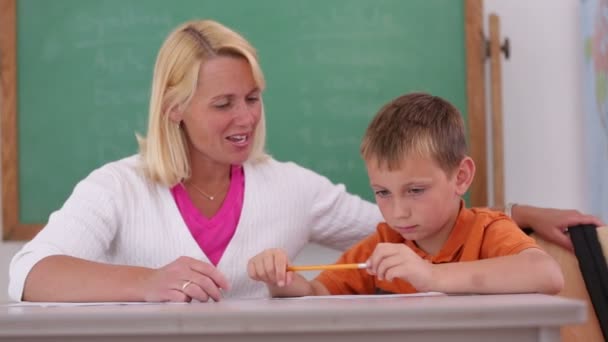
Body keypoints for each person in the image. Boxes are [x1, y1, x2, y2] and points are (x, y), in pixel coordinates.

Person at [8, 19, 600, 303]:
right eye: (223, 104)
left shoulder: (290, 188)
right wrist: (148, 282)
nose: (246, 118)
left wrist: (517, 214)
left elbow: (410, 221)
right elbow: (28, 276)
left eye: (253, 98)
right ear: (174, 110)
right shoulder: (118, 188)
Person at [248, 93, 564, 297]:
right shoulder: (383, 245)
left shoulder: (487, 231)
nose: (398, 212)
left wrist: (432, 276)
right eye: (382, 193)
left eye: (415, 190)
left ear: (461, 177)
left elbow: (546, 274)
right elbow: (317, 294)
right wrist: (281, 281)